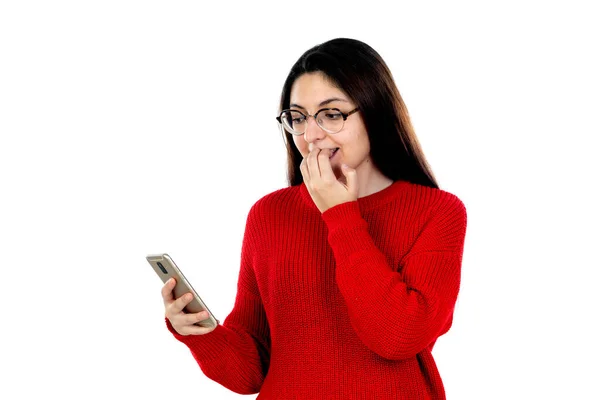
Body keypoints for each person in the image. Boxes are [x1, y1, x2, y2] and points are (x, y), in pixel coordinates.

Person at [161, 38, 467, 399]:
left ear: (375, 110)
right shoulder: (269, 214)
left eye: (331, 114)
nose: (311, 135)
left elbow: (397, 337)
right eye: (298, 118)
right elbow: (250, 373)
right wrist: (200, 332)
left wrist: (340, 215)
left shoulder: (437, 212)